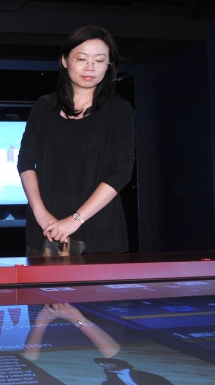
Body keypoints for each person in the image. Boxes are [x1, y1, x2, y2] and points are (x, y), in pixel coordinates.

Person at [17, 26, 136, 255]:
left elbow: (121, 172)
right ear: (64, 60)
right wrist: (41, 214)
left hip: (98, 228)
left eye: (100, 60)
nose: (90, 67)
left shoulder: (119, 109)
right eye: (81, 58)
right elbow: (25, 162)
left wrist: (75, 219)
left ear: (108, 66)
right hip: (45, 227)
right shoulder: (45, 106)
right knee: (43, 291)